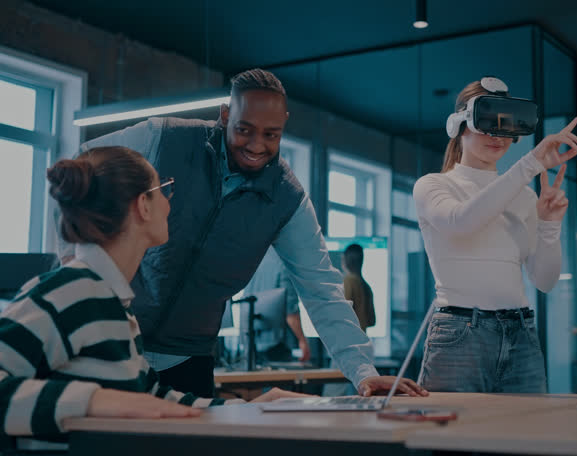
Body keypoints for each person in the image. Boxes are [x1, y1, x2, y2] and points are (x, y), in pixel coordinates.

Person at [63, 69, 426, 399]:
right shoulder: (165, 139)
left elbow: (322, 290)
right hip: (112, 341)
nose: (256, 145)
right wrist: (76, 259)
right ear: (225, 115)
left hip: (187, 359)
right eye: (244, 129)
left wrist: (363, 371)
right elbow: (83, 165)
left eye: (271, 135)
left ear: (284, 125)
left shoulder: (288, 200)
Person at [0, 148, 302, 447]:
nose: (169, 204)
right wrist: (96, 400)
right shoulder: (71, 290)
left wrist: (253, 408)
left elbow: (152, 399)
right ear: (143, 205)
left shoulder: (114, 304)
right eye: (163, 190)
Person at [413, 77, 577, 393]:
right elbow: (461, 222)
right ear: (460, 126)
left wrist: (548, 224)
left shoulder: (523, 196)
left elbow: (544, 281)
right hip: (460, 333)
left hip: (521, 332)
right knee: (453, 440)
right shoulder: (433, 185)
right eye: (487, 123)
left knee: (524, 439)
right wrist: (530, 164)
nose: (497, 135)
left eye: (505, 126)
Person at [241, 248, 311, 363]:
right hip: (276, 346)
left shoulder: (254, 258)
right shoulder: (284, 263)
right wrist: (303, 341)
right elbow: (290, 312)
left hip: (252, 343)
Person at [342, 244, 376, 332]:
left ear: (346, 261)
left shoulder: (349, 281)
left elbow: (343, 312)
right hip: (362, 337)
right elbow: (372, 321)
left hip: (349, 337)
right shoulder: (366, 286)